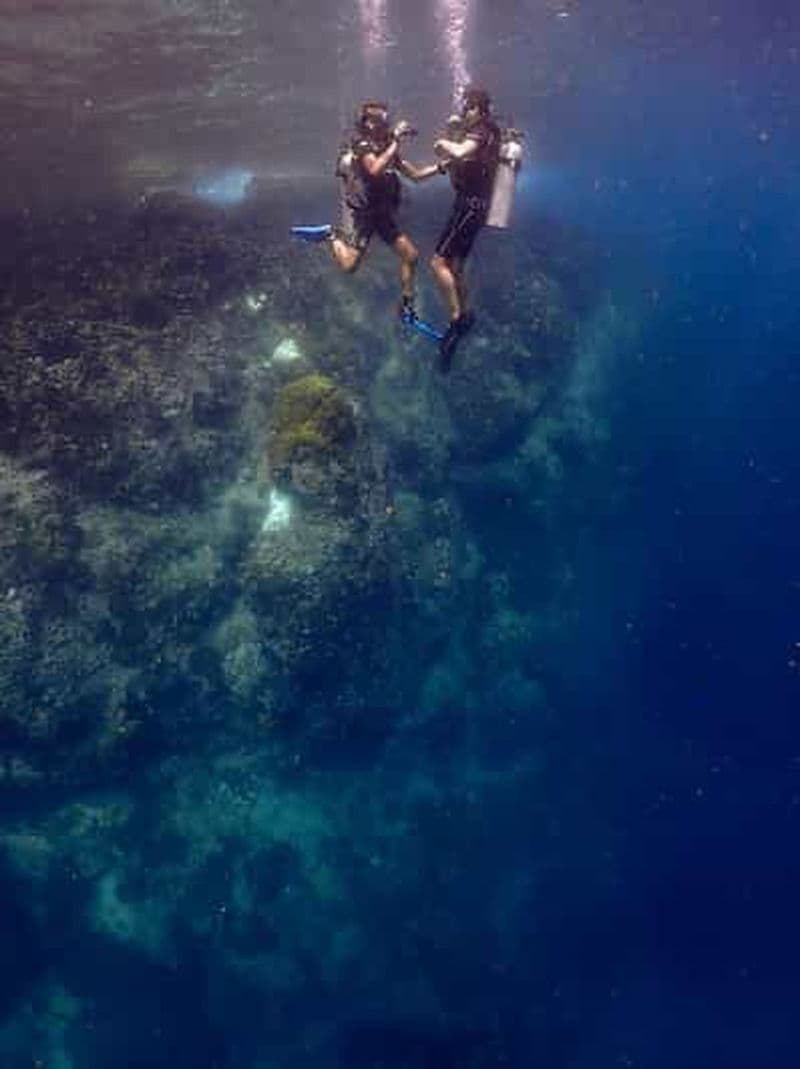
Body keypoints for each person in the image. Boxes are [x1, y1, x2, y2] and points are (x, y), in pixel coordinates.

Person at [292, 101, 441, 320]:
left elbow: (416, 176)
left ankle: (407, 305)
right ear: (366, 123)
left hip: (382, 216)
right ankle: (330, 235)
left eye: (384, 118)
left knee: (411, 256)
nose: (382, 122)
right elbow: (374, 168)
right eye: (376, 118)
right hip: (364, 216)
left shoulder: (388, 148)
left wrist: (443, 166)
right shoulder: (360, 144)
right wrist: (396, 142)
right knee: (349, 266)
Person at [430, 86, 501, 371]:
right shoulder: (493, 132)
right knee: (456, 266)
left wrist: (443, 142)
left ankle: (457, 318)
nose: (464, 111)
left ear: (478, 108)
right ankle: (466, 313)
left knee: (438, 263)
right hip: (478, 207)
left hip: (468, 206)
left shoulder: (482, 129)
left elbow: (460, 151)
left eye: (468, 106)